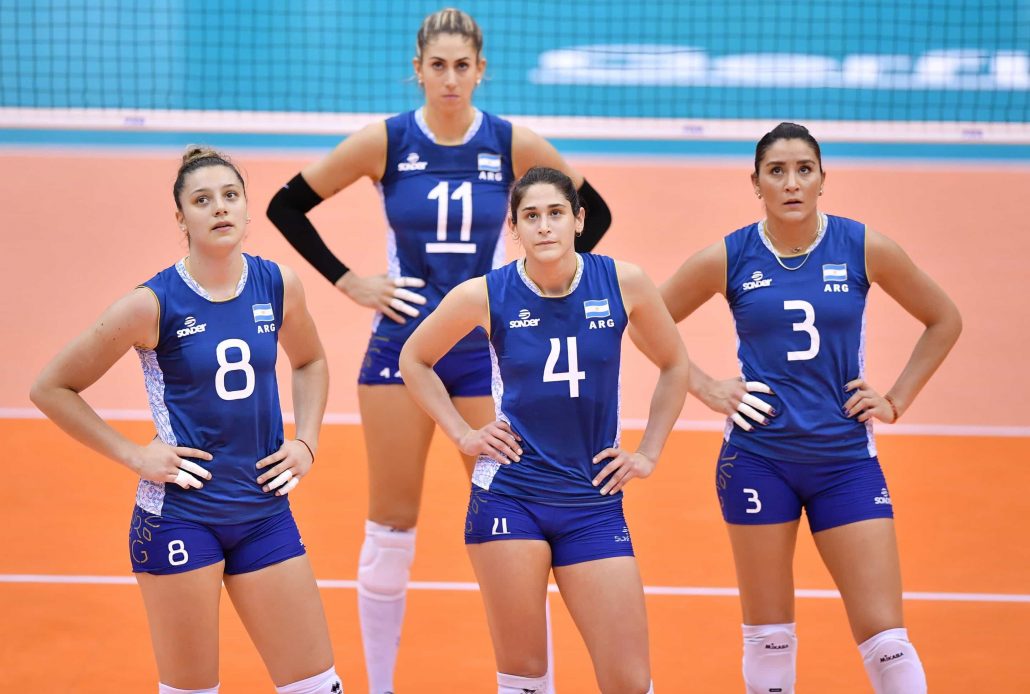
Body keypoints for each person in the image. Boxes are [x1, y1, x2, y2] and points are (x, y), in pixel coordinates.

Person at [266, 8, 612, 692]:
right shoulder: (386, 141)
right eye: (437, 66)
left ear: (481, 70)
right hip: (401, 343)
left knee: (518, 517)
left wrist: (538, 283)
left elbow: (592, 214)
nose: (450, 79)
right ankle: (380, 685)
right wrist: (350, 281)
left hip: (486, 350)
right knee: (391, 525)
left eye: (462, 66)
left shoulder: (511, 142)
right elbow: (285, 205)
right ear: (417, 70)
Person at [660, 122, 962, 694]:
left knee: (889, 645)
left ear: (824, 178)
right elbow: (645, 321)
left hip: (845, 462)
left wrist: (896, 400)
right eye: (776, 172)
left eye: (804, 170)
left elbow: (944, 318)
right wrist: (706, 387)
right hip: (757, 461)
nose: (792, 183)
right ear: (756, 184)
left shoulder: (862, 246)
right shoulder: (730, 256)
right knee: (769, 640)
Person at [30, 147, 342, 694]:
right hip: (180, 518)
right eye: (202, 200)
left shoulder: (277, 284)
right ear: (181, 218)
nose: (219, 208)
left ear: (245, 207)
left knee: (318, 686)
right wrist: (134, 454)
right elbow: (51, 387)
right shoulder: (151, 304)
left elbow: (310, 361)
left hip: (264, 512)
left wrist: (307, 442)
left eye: (230, 196)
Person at [399, 166, 688, 693]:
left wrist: (648, 452)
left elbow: (675, 364)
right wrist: (463, 434)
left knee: (630, 681)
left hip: (592, 501)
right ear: (514, 227)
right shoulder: (485, 294)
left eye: (556, 213)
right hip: (511, 497)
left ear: (578, 219)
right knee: (525, 677)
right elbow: (413, 359)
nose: (545, 226)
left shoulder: (623, 282)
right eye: (530, 216)